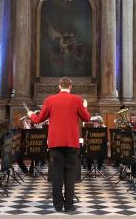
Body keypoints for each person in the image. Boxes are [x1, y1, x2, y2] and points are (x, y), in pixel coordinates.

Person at [28, 76, 90, 212]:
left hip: (55, 143)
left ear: (59, 86)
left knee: (57, 174)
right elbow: (86, 118)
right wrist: (85, 106)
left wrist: (31, 114)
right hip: (72, 142)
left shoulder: (50, 100)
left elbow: (38, 119)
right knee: (70, 174)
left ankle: (57, 205)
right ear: (70, 87)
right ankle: (69, 205)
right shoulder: (77, 100)